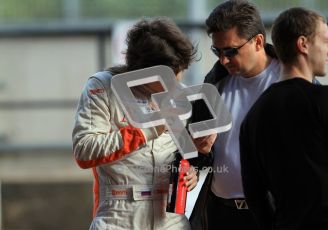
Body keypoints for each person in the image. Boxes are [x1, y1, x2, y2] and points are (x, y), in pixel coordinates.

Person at [72, 17, 199, 230]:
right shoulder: (103, 86)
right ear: (141, 71)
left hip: (170, 217)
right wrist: (147, 129)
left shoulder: (181, 95)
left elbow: (187, 154)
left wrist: (192, 171)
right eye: (166, 78)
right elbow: (84, 151)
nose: (175, 83)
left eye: (179, 73)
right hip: (119, 214)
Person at [239, 7, 328, 230]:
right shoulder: (327, 100)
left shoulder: (253, 116)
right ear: (303, 44)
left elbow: (254, 194)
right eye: (326, 40)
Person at [189, 0, 281, 229]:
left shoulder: (291, 78)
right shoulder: (214, 83)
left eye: (231, 50)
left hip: (276, 213)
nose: (223, 59)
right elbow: (198, 158)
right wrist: (200, 152)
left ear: (258, 41)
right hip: (221, 213)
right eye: (217, 51)